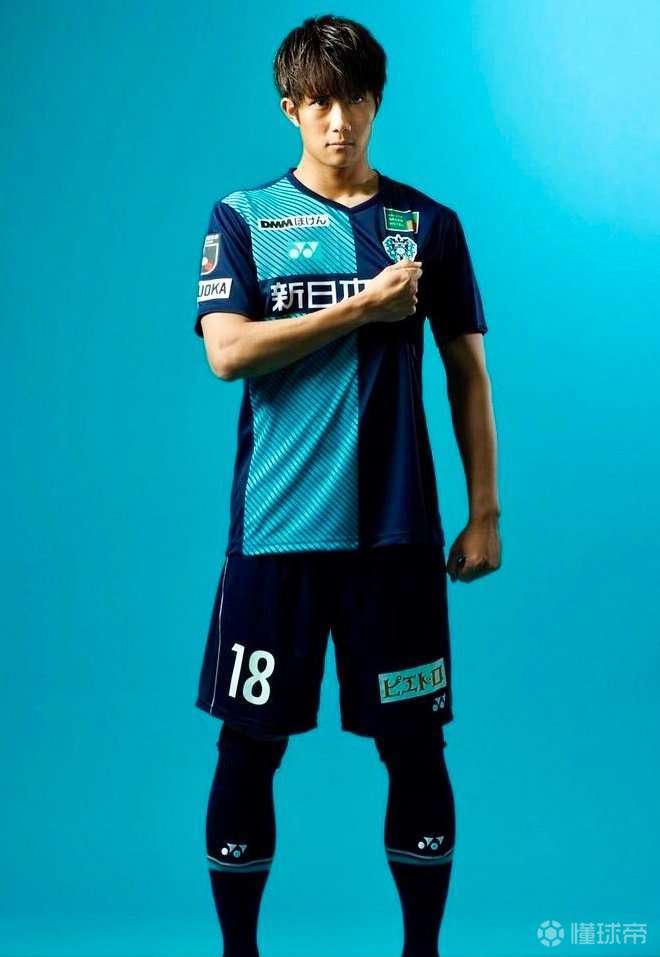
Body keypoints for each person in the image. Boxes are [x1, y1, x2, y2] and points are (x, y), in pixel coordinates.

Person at [193, 14, 501, 957]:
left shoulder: (428, 225)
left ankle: (422, 952)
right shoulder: (243, 219)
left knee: (416, 747)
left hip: (396, 538)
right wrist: (363, 306)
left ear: (376, 102)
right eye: (320, 102)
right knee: (248, 747)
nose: (339, 120)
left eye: (356, 98)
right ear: (290, 107)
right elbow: (228, 353)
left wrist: (485, 512)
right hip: (277, 534)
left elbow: (468, 374)